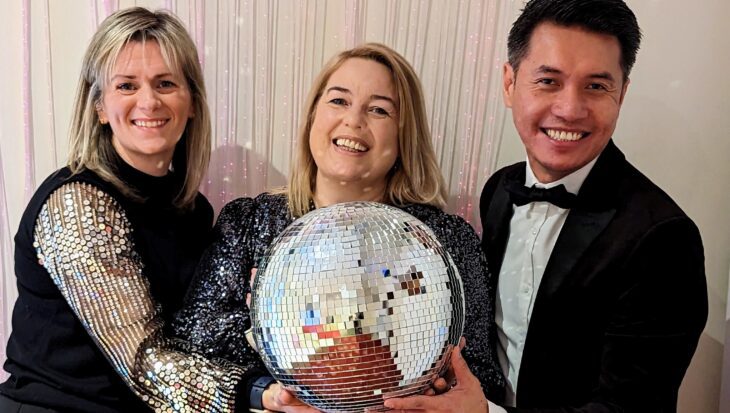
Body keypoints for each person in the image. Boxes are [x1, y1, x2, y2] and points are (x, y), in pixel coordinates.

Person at [384, 0, 708, 412]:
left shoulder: (663, 237)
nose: (570, 109)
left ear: (622, 94)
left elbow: (630, 405)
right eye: (549, 81)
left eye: (596, 86)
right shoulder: (500, 189)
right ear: (509, 83)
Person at [172, 42, 506, 412]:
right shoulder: (249, 224)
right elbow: (192, 347)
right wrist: (267, 388)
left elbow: (479, 378)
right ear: (313, 115)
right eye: (338, 101)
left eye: (379, 109)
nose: (354, 121)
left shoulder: (443, 241)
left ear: (403, 134)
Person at [0, 7, 262, 413]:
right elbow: (145, 363)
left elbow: (198, 333)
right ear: (100, 107)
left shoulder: (193, 211)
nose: (149, 101)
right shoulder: (76, 203)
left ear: (191, 102)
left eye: (165, 83)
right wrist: (255, 391)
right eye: (126, 86)